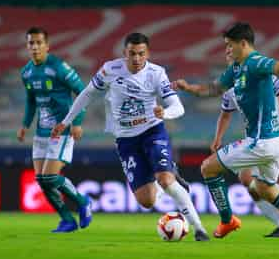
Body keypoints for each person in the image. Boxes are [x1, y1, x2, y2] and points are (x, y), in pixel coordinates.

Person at [173, 22, 279, 243]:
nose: (227, 50)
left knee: (208, 168)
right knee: (265, 188)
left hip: (262, 141)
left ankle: (227, 220)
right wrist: (189, 88)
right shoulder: (236, 69)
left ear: (243, 44)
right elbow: (213, 89)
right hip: (273, 140)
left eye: (230, 45)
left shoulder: (255, 63)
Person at [51, 32, 210, 241]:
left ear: (148, 53)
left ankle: (199, 229)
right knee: (147, 201)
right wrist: (66, 121)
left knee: (164, 179)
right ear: (125, 53)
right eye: (132, 54)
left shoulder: (157, 73)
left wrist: (166, 112)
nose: (136, 59)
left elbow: (177, 106)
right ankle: (173, 178)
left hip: (153, 131)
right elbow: (88, 93)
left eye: (141, 54)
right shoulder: (110, 69)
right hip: (126, 139)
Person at [210, 50, 279, 238]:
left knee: (257, 184)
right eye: (227, 55)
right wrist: (218, 138)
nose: (229, 57)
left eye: (232, 53)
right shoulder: (231, 88)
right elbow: (225, 115)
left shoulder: (261, 76)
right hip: (254, 140)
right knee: (250, 183)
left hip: (271, 138)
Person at [17, 27, 92, 233]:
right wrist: (25, 125)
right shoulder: (26, 72)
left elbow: (83, 93)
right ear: (27, 46)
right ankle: (67, 220)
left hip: (62, 130)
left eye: (39, 43)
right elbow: (31, 101)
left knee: (49, 177)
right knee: (41, 181)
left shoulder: (59, 67)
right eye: (31, 43)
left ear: (47, 46)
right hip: (41, 132)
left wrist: (77, 122)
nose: (35, 47)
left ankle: (82, 200)